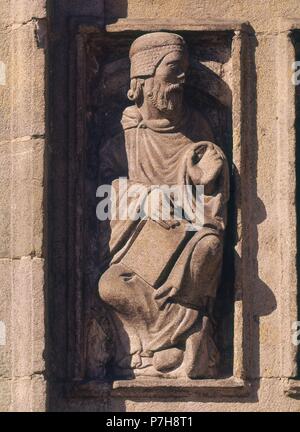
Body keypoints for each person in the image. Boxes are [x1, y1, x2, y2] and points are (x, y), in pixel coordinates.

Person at [98, 32, 229, 378]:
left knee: (211, 247)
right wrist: (143, 196)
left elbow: (208, 196)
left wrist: (208, 174)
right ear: (143, 79)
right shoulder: (126, 137)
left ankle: (159, 345)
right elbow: (102, 188)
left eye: (184, 70)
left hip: (185, 241)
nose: (181, 79)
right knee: (110, 285)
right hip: (141, 248)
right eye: (173, 70)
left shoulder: (198, 127)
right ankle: (176, 340)